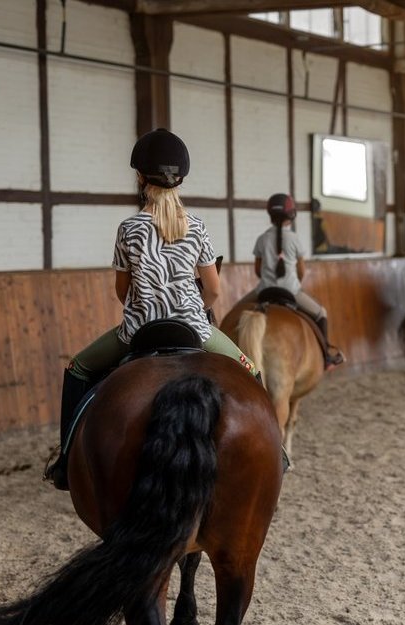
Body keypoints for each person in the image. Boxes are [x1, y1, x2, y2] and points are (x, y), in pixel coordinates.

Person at [44, 128, 256, 490]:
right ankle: (275, 452)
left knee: (77, 368)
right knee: (251, 370)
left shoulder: (129, 228)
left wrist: (149, 304)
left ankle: (66, 460)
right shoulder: (198, 227)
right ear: (180, 181)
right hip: (194, 327)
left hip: (140, 329)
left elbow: (122, 291)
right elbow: (214, 289)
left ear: (141, 178)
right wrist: (194, 309)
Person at [254, 193, 344, 369]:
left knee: (238, 309)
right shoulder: (295, 239)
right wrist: (295, 283)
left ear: (270, 216)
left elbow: (258, 270)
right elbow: (301, 271)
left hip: (264, 290)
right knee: (321, 313)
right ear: (291, 216)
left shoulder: (262, 239)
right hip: (291, 292)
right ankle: (326, 355)